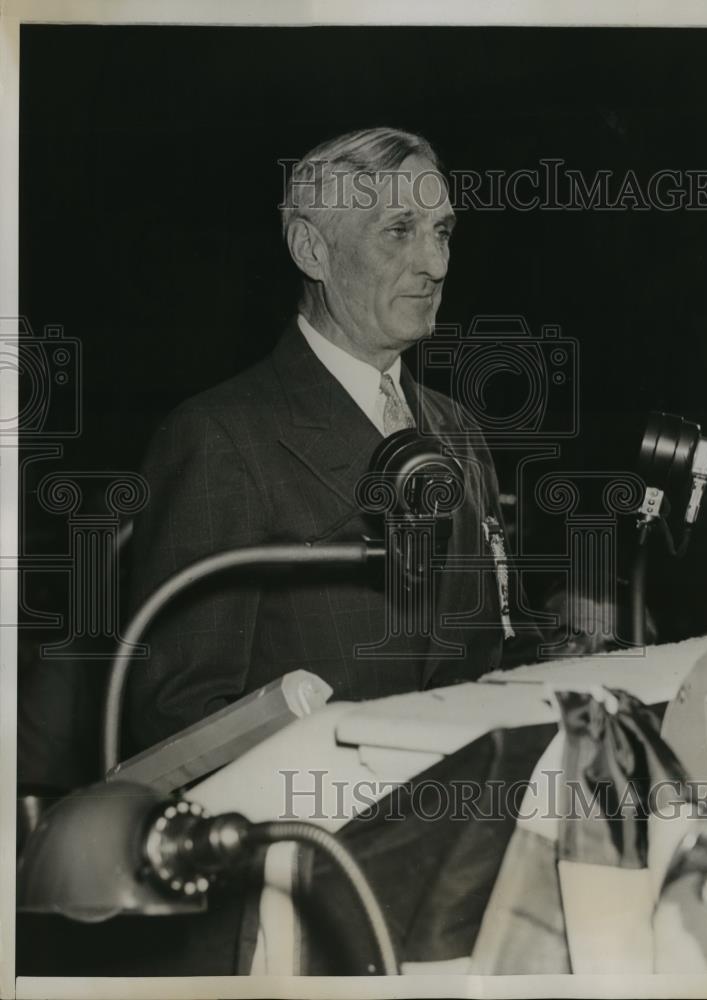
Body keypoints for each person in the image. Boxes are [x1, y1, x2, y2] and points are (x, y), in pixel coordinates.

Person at [125, 127, 507, 753]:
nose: (436, 265)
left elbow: (486, 657)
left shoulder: (458, 431)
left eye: (441, 232)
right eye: (399, 230)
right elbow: (182, 725)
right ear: (312, 250)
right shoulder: (220, 436)